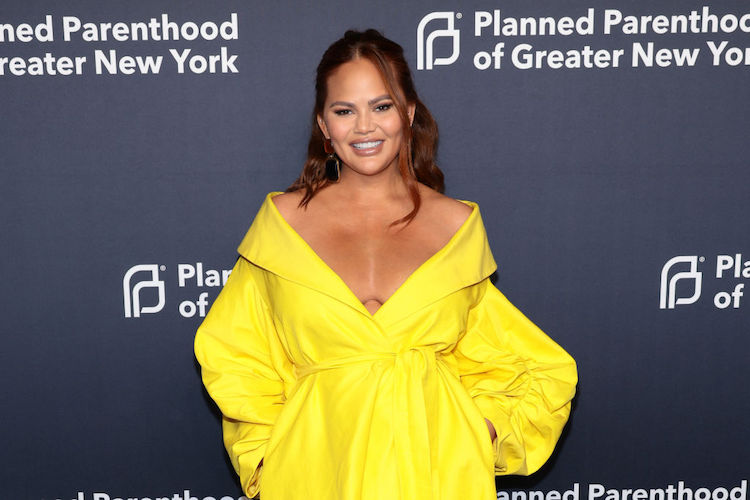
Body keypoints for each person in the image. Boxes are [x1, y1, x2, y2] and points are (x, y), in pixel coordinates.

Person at [194, 29, 577, 500]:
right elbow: (236, 354)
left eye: (381, 106)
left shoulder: (455, 226)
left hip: (434, 472)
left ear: (409, 113)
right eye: (344, 111)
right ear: (323, 125)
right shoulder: (282, 226)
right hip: (313, 470)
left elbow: (530, 364)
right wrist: (266, 456)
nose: (364, 127)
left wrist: (481, 431)